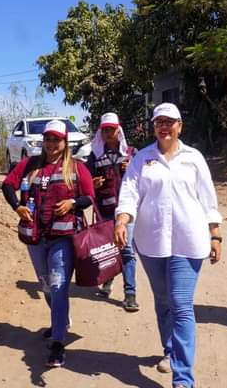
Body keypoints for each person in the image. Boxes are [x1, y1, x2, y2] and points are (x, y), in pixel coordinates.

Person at [115, 103, 222, 388]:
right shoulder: (142, 159)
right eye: (159, 122)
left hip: (189, 241)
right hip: (151, 242)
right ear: (154, 127)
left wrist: (216, 235)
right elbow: (129, 192)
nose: (164, 127)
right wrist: (121, 221)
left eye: (170, 122)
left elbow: (208, 199)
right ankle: (170, 350)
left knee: (181, 303)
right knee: (163, 301)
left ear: (180, 126)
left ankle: (183, 379)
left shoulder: (194, 158)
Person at [1, 119, 95, 368]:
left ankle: (58, 343)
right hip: (35, 238)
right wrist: (17, 206)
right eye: (48, 139)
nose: (52, 144)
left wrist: (72, 203)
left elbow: (89, 197)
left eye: (57, 139)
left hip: (62, 239)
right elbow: (7, 185)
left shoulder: (75, 167)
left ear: (65, 143)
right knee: (46, 286)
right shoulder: (29, 164)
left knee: (58, 284)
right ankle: (59, 321)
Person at [85, 112, 139, 311]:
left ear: (119, 130)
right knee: (109, 249)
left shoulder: (132, 153)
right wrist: (92, 184)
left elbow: (145, 179)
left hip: (127, 212)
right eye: (105, 130)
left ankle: (130, 293)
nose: (108, 133)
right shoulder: (94, 156)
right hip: (104, 210)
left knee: (126, 249)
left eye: (112, 129)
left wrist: (132, 168)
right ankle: (107, 281)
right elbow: (84, 183)